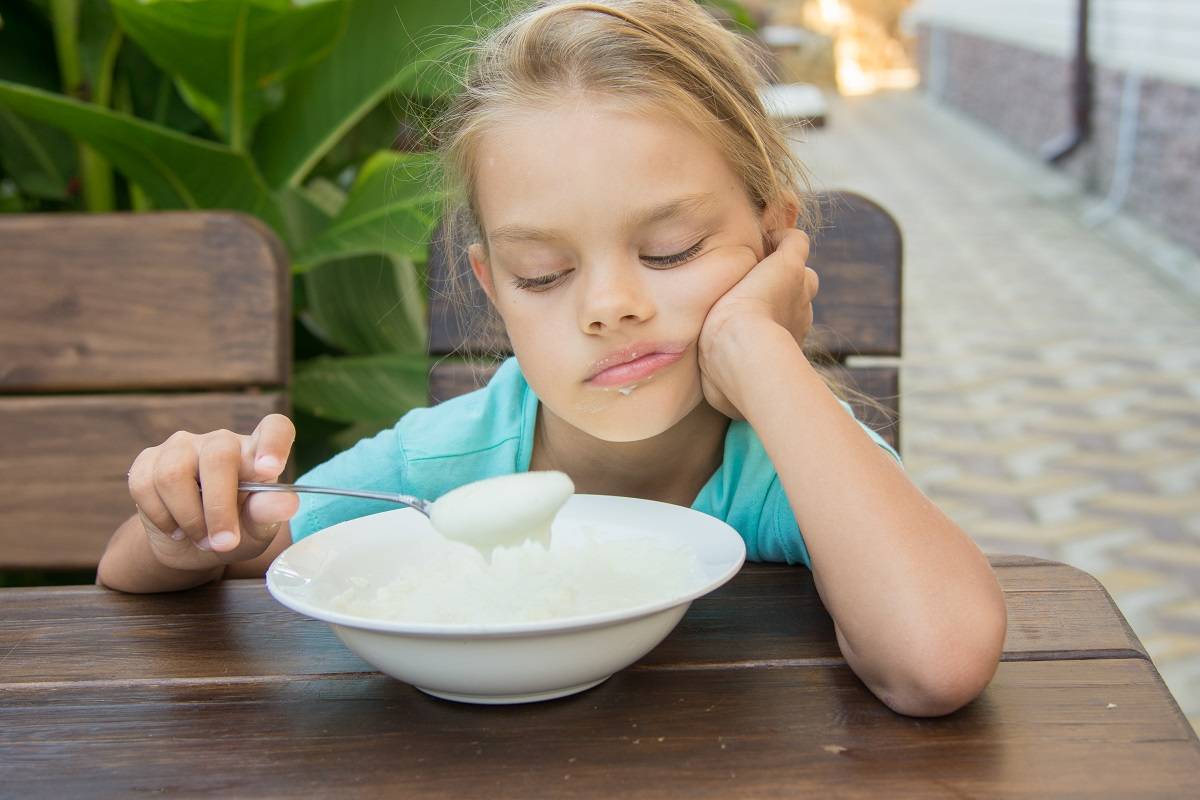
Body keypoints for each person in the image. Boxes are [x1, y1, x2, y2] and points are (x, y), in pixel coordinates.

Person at [97, 0, 1006, 717]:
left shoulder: (790, 461)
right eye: (545, 273)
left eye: (671, 251)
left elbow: (937, 661)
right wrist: (184, 531)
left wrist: (764, 355)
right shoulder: (441, 468)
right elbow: (154, 571)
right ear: (493, 288)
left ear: (772, 240)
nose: (611, 306)